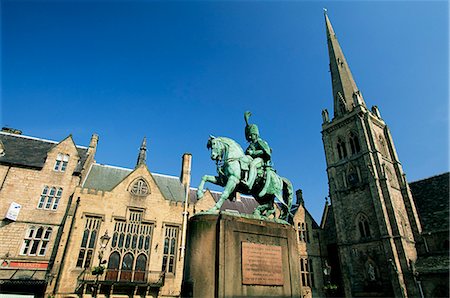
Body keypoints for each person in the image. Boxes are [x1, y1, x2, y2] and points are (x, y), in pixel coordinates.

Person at [244, 111, 272, 190]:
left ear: (255, 134)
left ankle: (249, 183)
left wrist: (253, 152)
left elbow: (265, 151)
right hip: (252, 159)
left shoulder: (260, 142)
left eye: (251, 135)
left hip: (260, 160)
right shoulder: (251, 145)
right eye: (249, 135)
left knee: (252, 165)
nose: (250, 137)